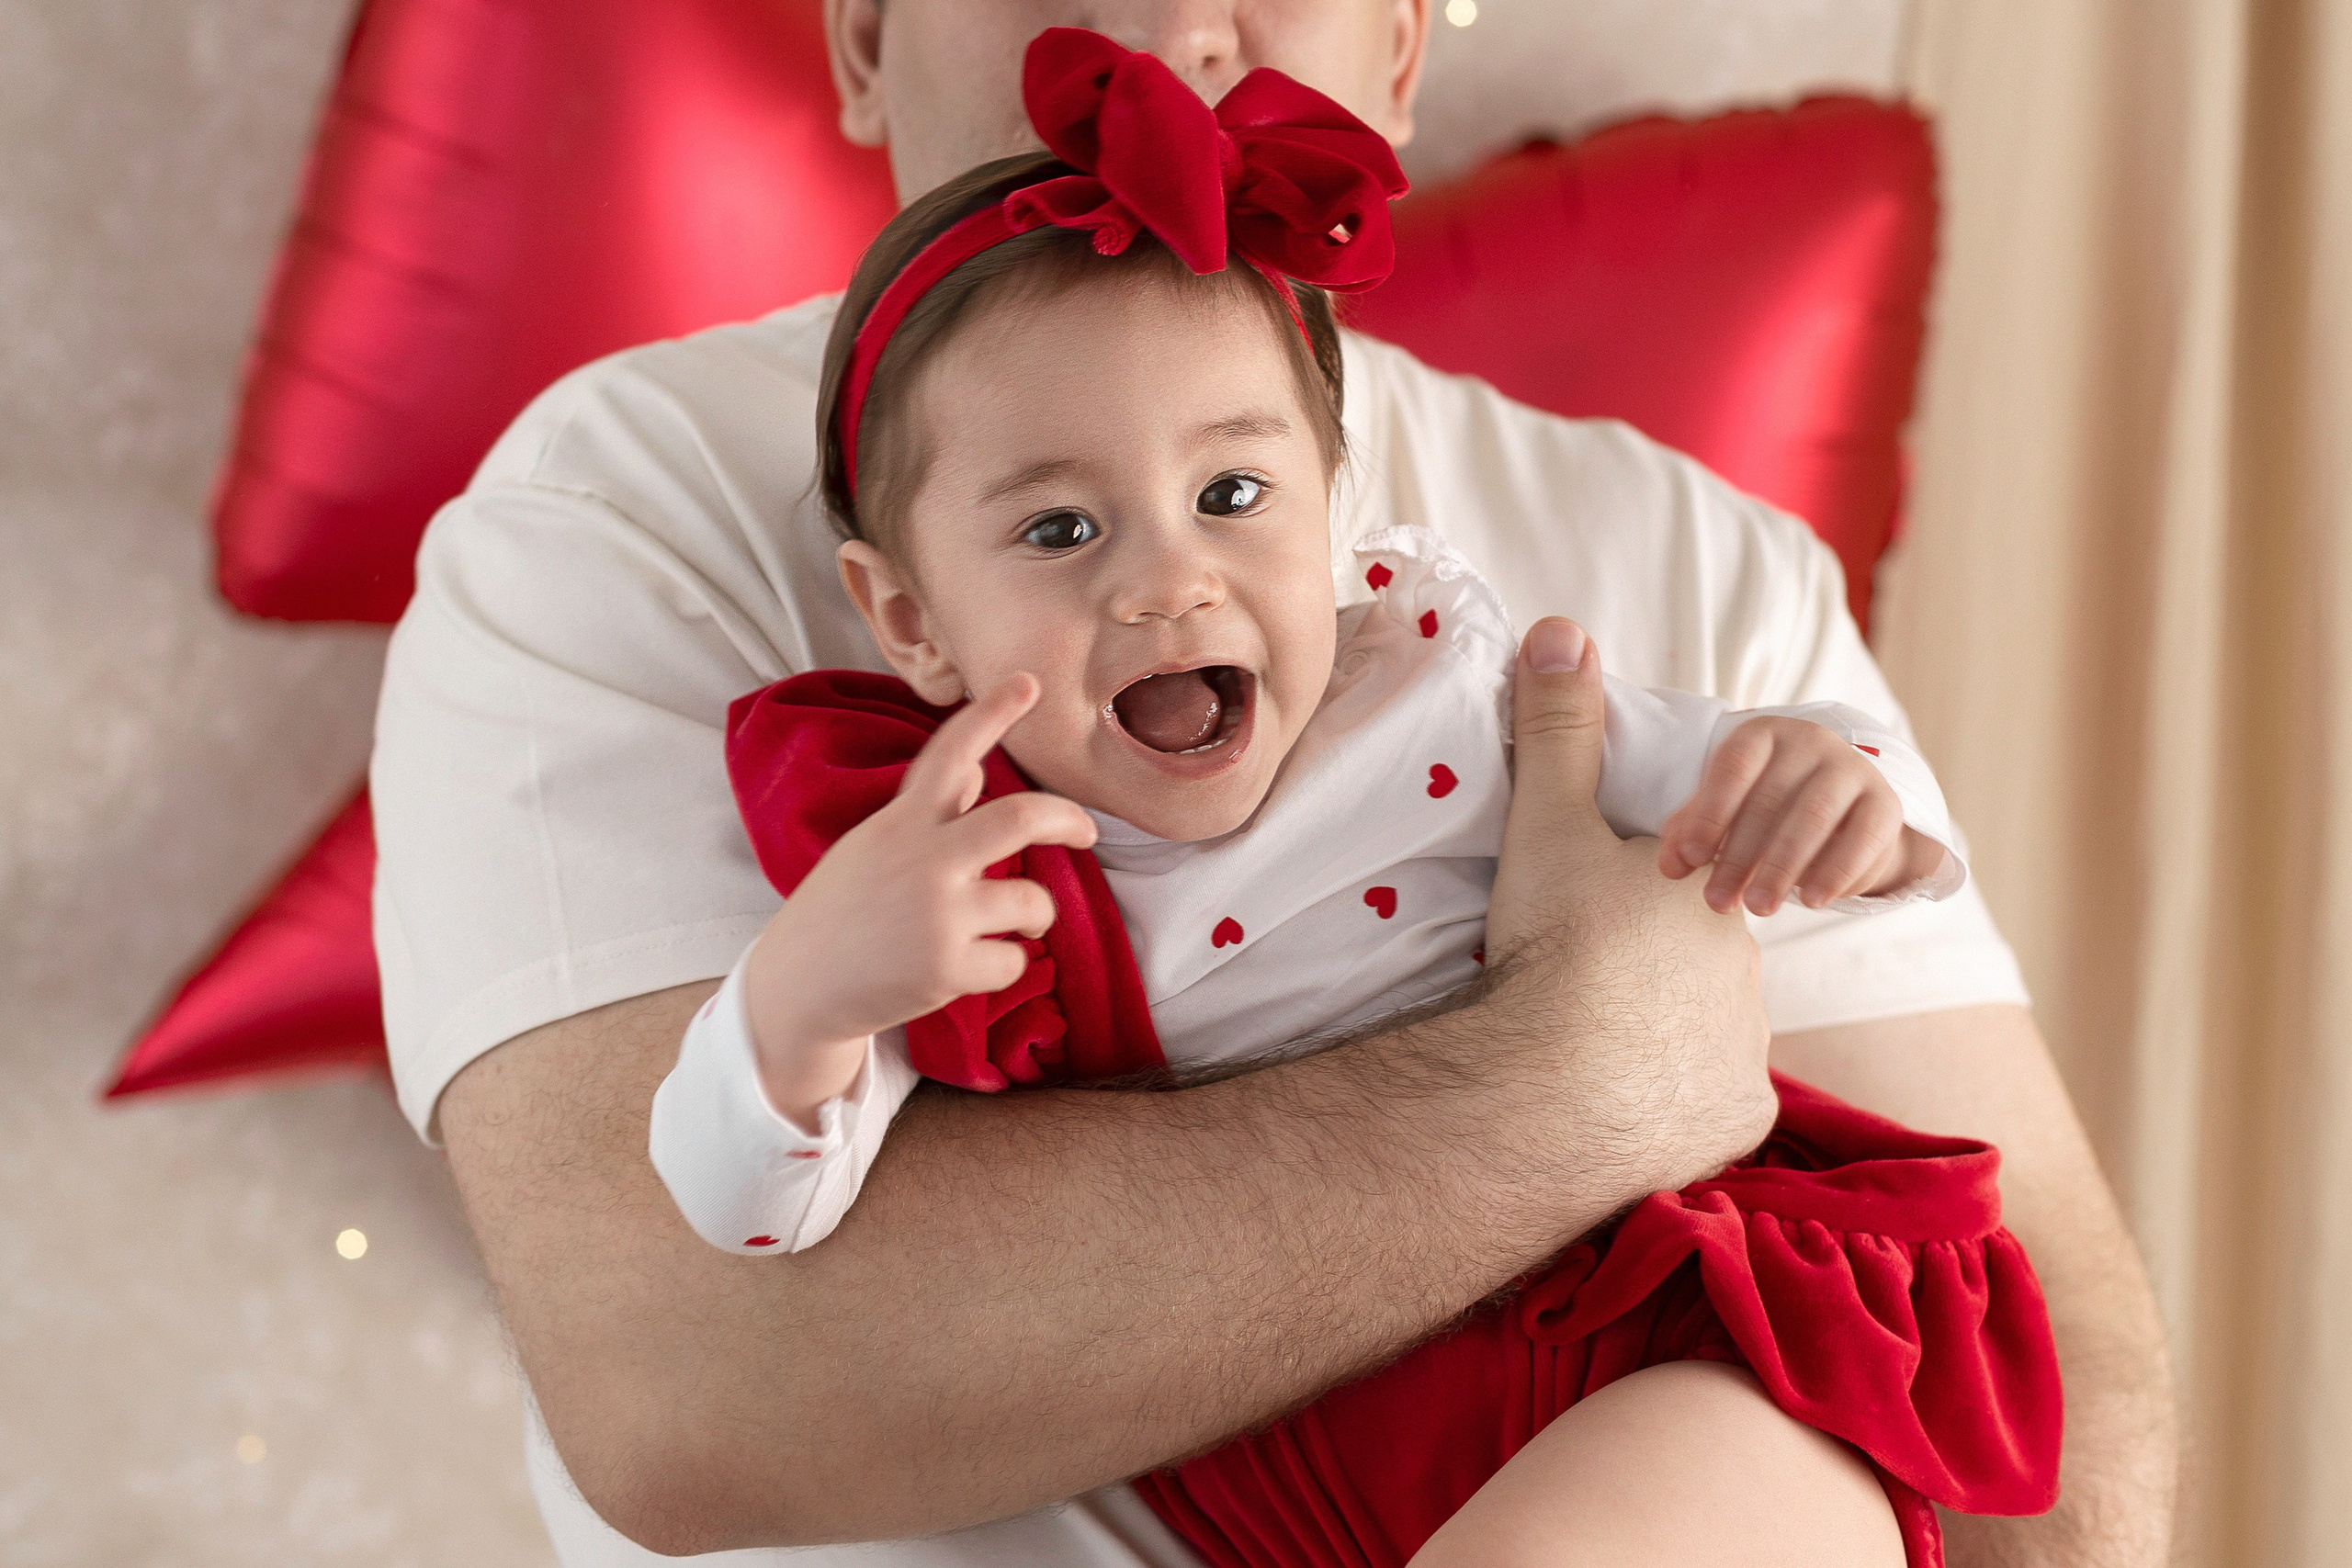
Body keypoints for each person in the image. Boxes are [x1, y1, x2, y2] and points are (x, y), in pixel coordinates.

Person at [369, 3, 2174, 1563]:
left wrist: (1821, 795)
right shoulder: (615, 514)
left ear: (1394, 57)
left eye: (1235, 495)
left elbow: (2042, 1364)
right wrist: (1579, 1076)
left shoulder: (1653, 575)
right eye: (1058, 526)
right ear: (861, 36)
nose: (1171, 36)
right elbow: (690, 1381)